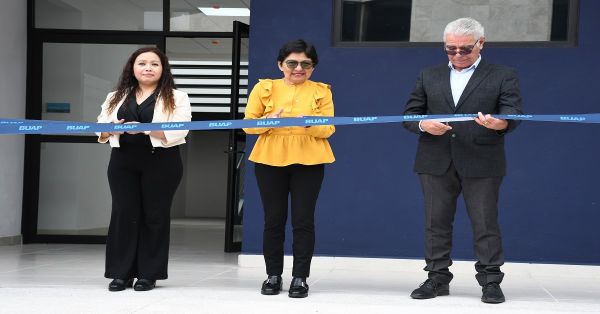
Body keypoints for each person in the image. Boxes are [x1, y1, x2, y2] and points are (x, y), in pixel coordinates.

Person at [403, 18, 523, 304]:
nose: (457, 55)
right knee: (435, 222)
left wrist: (500, 123)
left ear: (481, 44)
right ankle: (436, 278)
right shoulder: (428, 75)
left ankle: (491, 281)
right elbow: (410, 114)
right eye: (450, 49)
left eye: (465, 49)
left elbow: (512, 113)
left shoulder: (503, 74)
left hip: (482, 159)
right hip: (435, 159)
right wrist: (424, 125)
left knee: (485, 222)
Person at [243, 39, 335, 298]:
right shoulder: (265, 88)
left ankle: (300, 278)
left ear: (313, 67)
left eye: (306, 64)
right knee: (273, 220)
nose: (298, 68)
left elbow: (328, 128)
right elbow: (248, 125)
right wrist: (267, 121)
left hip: (310, 159)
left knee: (303, 221)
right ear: (280, 64)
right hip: (269, 158)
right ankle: (273, 276)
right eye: (292, 63)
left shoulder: (322, 91)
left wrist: (310, 125)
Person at [96, 47, 191, 292]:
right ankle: (121, 273)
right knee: (123, 214)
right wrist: (111, 128)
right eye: (142, 63)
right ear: (132, 67)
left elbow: (180, 129)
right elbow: (99, 127)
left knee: (155, 216)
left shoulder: (177, 97)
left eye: (154, 64)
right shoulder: (115, 96)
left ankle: (149, 274)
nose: (148, 68)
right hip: (122, 161)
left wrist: (146, 128)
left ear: (163, 69)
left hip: (162, 161)